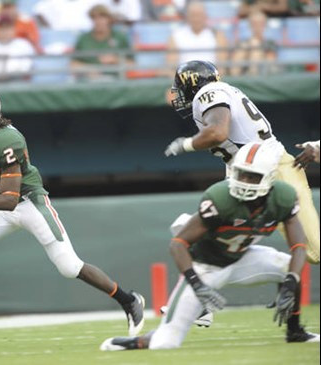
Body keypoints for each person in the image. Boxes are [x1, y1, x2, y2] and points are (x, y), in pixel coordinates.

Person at [0, 86, 145, 336]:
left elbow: (9, 199)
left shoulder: (9, 141)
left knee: (69, 266)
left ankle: (128, 300)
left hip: (28, 203)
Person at [100, 142, 320, 352]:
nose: (244, 180)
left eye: (252, 176)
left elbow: (299, 246)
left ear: (270, 178)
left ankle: (295, 331)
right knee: (166, 342)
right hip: (205, 267)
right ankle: (136, 342)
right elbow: (178, 244)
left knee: (289, 268)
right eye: (241, 173)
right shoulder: (220, 197)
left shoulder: (283, 197)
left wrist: (291, 282)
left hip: (243, 257)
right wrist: (197, 284)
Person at [164, 60, 320, 266]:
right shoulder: (222, 91)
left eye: (182, 87)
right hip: (246, 171)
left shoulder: (208, 92)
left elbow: (218, 132)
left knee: (315, 250)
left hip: (270, 168)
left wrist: (186, 144)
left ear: (192, 83)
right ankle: (196, 245)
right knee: (230, 237)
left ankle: (282, 269)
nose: (181, 94)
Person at [70, 4, 134, 81]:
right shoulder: (83, 38)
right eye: (94, 18)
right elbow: (73, 64)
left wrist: (115, 60)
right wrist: (88, 69)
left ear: (109, 19)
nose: (98, 21)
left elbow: (132, 64)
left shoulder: (120, 37)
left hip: (115, 80)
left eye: (102, 17)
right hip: (88, 80)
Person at [166, 1, 228, 71]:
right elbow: (171, 65)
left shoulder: (217, 35)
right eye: (193, 15)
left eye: (199, 15)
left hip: (210, 77)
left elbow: (222, 65)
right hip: (185, 78)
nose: (196, 19)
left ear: (205, 16)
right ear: (187, 17)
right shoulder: (176, 36)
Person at [230, 10, 278, 76]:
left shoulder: (270, 43)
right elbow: (235, 61)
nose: (258, 26)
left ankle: (253, 77)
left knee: (255, 46)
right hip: (244, 72)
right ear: (250, 25)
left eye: (261, 23)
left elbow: (271, 62)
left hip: (264, 72)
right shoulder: (243, 43)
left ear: (265, 25)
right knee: (244, 47)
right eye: (254, 24)